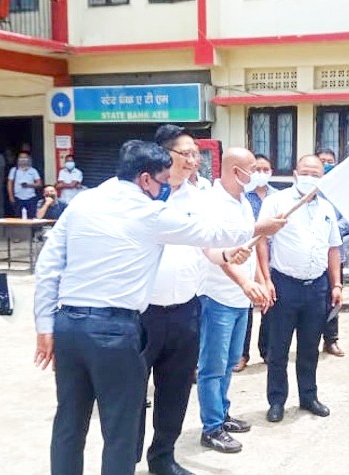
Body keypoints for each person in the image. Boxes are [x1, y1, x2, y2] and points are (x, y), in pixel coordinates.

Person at [32, 140, 285, 475]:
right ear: (145, 179)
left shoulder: (83, 202)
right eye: (163, 179)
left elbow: (49, 264)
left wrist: (44, 325)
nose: (166, 186)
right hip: (114, 330)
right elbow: (209, 232)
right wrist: (260, 228)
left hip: (69, 325)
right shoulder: (149, 212)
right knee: (121, 429)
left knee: (69, 421)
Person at [135, 125, 210, 475]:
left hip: (185, 311)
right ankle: (126, 458)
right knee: (132, 391)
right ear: (165, 156)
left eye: (197, 154)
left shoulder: (199, 199)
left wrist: (230, 256)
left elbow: (209, 245)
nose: (194, 160)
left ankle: (163, 458)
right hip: (141, 313)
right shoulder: (143, 195)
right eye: (187, 153)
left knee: (176, 390)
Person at [258, 154, 342, 424]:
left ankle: (308, 396)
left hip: (316, 287)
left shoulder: (326, 208)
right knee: (278, 348)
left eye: (316, 174)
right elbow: (261, 240)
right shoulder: (277, 202)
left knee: (309, 347)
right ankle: (276, 401)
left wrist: (336, 284)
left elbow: (333, 248)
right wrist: (265, 279)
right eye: (305, 172)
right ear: (295, 174)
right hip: (284, 285)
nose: (309, 178)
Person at [197, 147, 270, 454]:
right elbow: (213, 251)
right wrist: (245, 282)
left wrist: (260, 280)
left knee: (229, 363)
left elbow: (250, 245)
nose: (257, 174)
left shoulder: (243, 202)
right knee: (212, 366)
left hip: (241, 298)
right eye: (252, 168)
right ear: (235, 170)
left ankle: (222, 413)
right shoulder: (211, 203)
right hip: (218, 296)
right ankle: (211, 428)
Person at [234, 153, 277, 372]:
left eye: (265, 169)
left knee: (270, 304)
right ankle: (241, 354)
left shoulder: (277, 197)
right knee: (247, 307)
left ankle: (267, 350)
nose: (260, 173)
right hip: (247, 258)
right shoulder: (243, 197)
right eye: (256, 169)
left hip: (273, 258)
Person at [316, 148, 349, 357]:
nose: (326, 164)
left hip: (335, 253)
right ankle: (311, 339)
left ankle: (331, 340)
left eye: (330, 161)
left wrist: (329, 230)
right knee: (313, 301)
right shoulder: (309, 189)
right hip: (310, 256)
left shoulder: (342, 190)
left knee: (333, 296)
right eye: (322, 161)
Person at [7, 151, 42, 218]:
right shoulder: (14, 170)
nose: (23, 159)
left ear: (29, 159)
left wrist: (28, 185)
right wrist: (11, 197)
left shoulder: (33, 171)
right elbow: (9, 184)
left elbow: (39, 184)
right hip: (17, 198)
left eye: (25, 157)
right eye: (21, 157)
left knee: (31, 217)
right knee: (18, 218)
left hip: (31, 198)